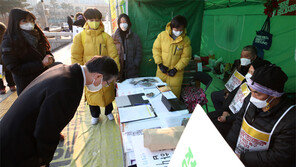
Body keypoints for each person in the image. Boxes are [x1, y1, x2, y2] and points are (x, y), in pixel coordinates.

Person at [0, 56, 119, 167]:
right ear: (98, 76)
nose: (104, 86)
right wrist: (43, 160)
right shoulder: (68, 89)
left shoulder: (65, 70)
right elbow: (46, 131)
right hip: (15, 146)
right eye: (107, 83)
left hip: (10, 131)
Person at [226, 65, 295, 167]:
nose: (252, 97)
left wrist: (243, 158)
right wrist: (229, 146)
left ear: (274, 95)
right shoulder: (251, 98)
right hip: (237, 155)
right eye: (251, 91)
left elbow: (279, 156)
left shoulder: (290, 119)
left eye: (257, 94)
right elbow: (239, 121)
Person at [71, 8, 120, 125]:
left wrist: (114, 72)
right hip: (89, 73)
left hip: (104, 73)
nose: (95, 22)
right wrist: (77, 74)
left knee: (107, 94)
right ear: (86, 20)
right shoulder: (80, 37)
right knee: (91, 95)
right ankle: (95, 115)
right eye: (91, 20)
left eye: (97, 20)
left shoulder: (106, 37)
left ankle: (108, 111)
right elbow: (75, 57)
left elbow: (114, 55)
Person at [208, 59, 271, 138]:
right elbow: (232, 94)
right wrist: (225, 111)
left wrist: (227, 119)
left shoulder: (258, 93)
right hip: (229, 112)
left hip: (236, 121)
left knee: (214, 129)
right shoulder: (246, 81)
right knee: (207, 118)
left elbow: (244, 114)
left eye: (251, 72)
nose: (248, 74)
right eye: (249, 71)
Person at [1, 9, 55, 95]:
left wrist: (50, 57)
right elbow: (15, 68)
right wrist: (41, 64)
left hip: (45, 80)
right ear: (15, 22)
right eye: (24, 20)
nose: (29, 23)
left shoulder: (38, 35)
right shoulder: (9, 42)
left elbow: (47, 51)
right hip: (27, 86)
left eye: (31, 20)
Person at [211, 45, 258, 114]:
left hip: (241, 96)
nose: (243, 59)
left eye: (246, 56)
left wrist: (230, 95)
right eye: (242, 56)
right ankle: (221, 114)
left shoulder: (256, 69)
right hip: (231, 91)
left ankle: (225, 115)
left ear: (254, 57)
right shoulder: (238, 63)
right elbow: (231, 80)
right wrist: (227, 91)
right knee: (214, 95)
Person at [152, 15, 192, 98]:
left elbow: (186, 57)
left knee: (173, 98)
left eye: (181, 30)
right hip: (161, 72)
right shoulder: (162, 36)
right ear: (172, 27)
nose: (179, 31)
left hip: (176, 74)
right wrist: (159, 64)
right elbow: (156, 50)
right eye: (177, 29)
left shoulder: (186, 40)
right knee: (158, 95)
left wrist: (176, 69)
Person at [112, 13, 142, 82]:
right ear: (118, 24)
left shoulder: (135, 37)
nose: (123, 24)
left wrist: (135, 64)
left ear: (128, 23)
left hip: (132, 70)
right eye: (121, 22)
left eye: (125, 22)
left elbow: (139, 52)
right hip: (119, 70)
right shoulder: (114, 37)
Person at [0, 22, 16, 94]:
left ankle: (1, 88)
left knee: (0, 74)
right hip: (5, 57)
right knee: (8, 71)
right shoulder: (5, 36)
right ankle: (12, 85)